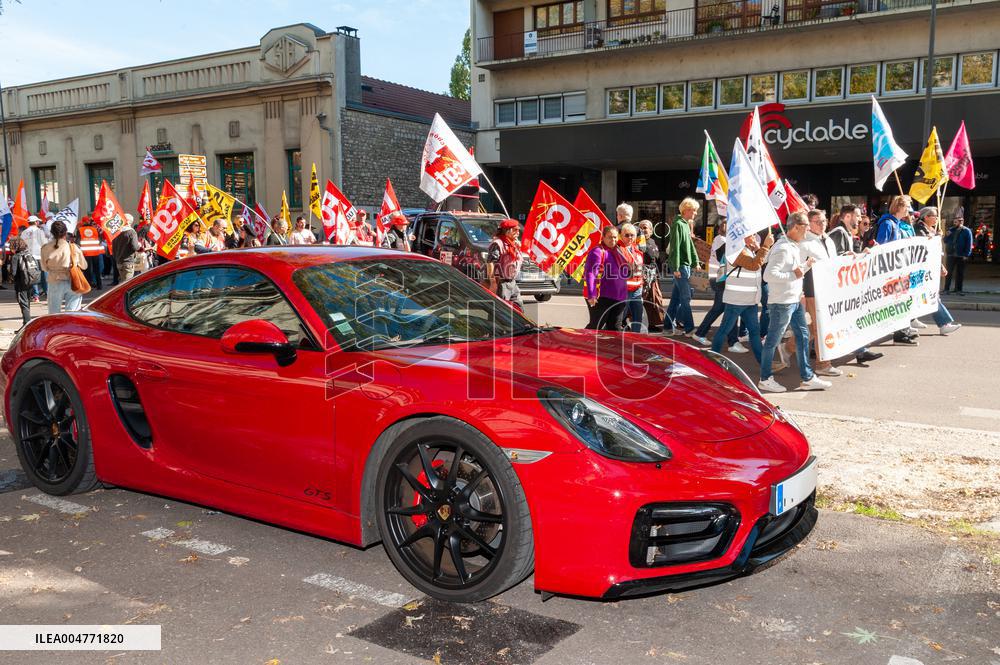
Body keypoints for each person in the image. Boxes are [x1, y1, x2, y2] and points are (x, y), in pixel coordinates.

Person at [759, 212, 831, 393]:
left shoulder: (793, 245)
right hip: (782, 303)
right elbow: (768, 275)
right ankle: (765, 379)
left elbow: (795, 272)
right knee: (772, 341)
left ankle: (807, 377)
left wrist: (805, 267)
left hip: (794, 299)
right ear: (796, 227)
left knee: (803, 336)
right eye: (806, 225)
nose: (808, 229)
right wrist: (795, 274)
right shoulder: (783, 248)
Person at [830, 205, 883, 363]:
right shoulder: (839, 233)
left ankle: (861, 351)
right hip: (838, 286)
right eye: (857, 216)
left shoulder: (845, 233)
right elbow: (835, 259)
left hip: (843, 286)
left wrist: (861, 254)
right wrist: (850, 256)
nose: (860, 219)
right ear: (847, 217)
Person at [712, 231, 773, 363]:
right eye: (751, 235)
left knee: (754, 333)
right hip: (736, 300)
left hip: (749, 300)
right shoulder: (736, 250)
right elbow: (753, 265)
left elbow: (760, 263)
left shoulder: (746, 250)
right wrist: (765, 246)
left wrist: (759, 249)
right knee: (724, 330)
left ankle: (764, 363)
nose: (754, 237)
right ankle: (711, 361)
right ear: (742, 238)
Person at [798, 209, 843, 377]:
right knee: (819, 328)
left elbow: (833, 263)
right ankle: (823, 364)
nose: (822, 224)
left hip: (827, 289)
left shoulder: (828, 240)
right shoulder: (804, 243)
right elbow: (799, 267)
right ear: (809, 224)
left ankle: (787, 348)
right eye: (817, 221)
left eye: (824, 221)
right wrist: (801, 292)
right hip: (811, 290)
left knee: (814, 328)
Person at [874, 195, 920, 344]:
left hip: (897, 269)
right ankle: (900, 333)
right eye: (906, 207)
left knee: (901, 301)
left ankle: (902, 331)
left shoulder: (896, 223)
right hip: (891, 271)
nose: (908, 210)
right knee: (897, 301)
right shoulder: (888, 223)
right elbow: (882, 246)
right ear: (899, 207)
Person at [693, 220, 743, 351]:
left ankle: (700, 333)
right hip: (719, 279)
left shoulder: (722, 239)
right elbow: (726, 257)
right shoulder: (720, 239)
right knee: (728, 308)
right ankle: (733, 342)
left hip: (720, 278)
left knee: (720, 308)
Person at [584, 225, 631, 330]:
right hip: (603, 296)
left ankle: (612, 346)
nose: (613, 240)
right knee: (596, 325)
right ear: (603, 237)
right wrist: (591, 294)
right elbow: (591, 273)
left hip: (620, 296)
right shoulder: (597, 251)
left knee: (614, 328)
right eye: (610, 237)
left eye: (615, 237)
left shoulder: (619, 251)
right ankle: (583, 344)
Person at [664, 198, 700, 336]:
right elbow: (675, 248)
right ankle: (689, 329)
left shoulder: (684, 224)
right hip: (681, 267)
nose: (696, 213)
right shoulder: (678, 224)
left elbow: (689, 245)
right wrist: (677, 268)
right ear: (686, 210)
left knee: (676, 299)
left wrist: (695, 261)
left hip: (684, 266)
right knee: (685, 298)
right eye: (694, 210)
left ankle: (667, 327)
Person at [41, 220, 88, 314]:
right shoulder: (73, 247)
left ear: (52, 233)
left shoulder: (45, 248)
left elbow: (44, 268)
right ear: (66, 233)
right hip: (72, 280)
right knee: (72, 313)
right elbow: (84, 266)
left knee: (54, 313)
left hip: (54, 281)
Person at [486, 219, 524, 310]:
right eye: (515, 230)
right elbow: (490, 262)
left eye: (518, 230)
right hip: (501, 284)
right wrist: (493, 282)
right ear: (507, 231)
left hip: (512, 283)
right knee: (500, 310)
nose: (518, 233)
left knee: (518, 308)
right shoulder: (498, 244)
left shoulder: (514, 244)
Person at [637, 219, 664, 332]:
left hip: (653, 275)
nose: (643, 230)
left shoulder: (653, 241)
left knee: (655, 299)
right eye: (641, 228)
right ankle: (633, 323)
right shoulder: (638, 243)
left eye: (645, 228)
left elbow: (656, 259)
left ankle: (654, 324)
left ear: (651, 230)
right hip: (643, 275)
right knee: (641, 300)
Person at [619, 223, 645, 332]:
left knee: (638, 315)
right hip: (625, 289)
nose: (630, 237)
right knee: (620, 317)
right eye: (627, 235)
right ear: (621, 235)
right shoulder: (618, 249)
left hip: (637, 288)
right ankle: (610, 337)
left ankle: (635, 338)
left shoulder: (636, 248)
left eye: (632, 235)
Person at [9, 237, 38, 329]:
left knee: (23, 304)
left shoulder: (15, 257)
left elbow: (13, 273)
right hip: (29, 281)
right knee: (27, 303)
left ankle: (27, 326)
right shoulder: (28, 254)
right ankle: (26, 324)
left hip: (20, 283)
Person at [20, 215, 49, 301]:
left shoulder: (24, 232)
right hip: (40, 255)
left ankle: (36, 296)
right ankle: (47, 292)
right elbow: (45, 243)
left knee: (33, 275)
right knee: (44, 275)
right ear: (36, 222)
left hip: (29, 256)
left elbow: (22, 245)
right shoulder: (40, 231)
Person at [943, 214, 973, 294]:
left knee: (960, 273)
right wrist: (946, 235)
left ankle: (958, 289)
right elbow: (945, 241)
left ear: (961, 222)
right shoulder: (951, 230)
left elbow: (969, 243)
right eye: (954, 221)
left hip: (961, 255)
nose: (955, 223)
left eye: (956, 221)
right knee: (948, 272)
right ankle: (946, 289)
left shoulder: (966, 231)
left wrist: (967, 254)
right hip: (951, 254)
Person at [112, 213, 142, 282]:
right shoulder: (131, 232)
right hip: (128, 262)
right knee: (126, 284)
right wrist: (139, 245)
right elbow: (135, 247)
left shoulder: (116, 232)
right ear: (130, 222)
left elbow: (113, 248)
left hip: (119, 262)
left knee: (122, 282)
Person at [77, 216, 104, 289]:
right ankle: (99, 285)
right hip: (95, 251)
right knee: (96, 269)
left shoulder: (80, 230)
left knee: (87, 270)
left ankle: (89, 286)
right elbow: (100, 240)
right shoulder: (94, 229)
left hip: (85, 253)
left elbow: (78, 242)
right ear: (89, 221)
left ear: (83, 222)